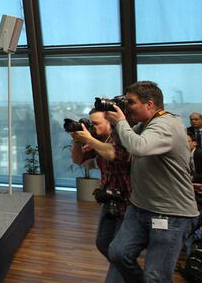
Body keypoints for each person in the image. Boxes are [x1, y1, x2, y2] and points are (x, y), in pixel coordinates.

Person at [106, 81, 198, 282]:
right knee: (118, 253)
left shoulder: (166, 125)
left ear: (149, 104)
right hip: (140, 207)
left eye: (131, 102)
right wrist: (116, 123)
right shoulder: (146, 124)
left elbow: (139, 147)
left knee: (155, 276)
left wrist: (121, 122)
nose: (127, 106)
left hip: (170, 213)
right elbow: (124, 144)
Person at [70, 109, 131, 283]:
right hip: (108, 199)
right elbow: (77, 159)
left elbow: (113, 153)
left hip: (129, 202)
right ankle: (131, 273)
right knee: (103, 243)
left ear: (110, 123)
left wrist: (89, 139)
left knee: (118, 251)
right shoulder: (97, 140)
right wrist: (76, 141)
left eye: (96, 123)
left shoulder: (121, 139)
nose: (92, 126)